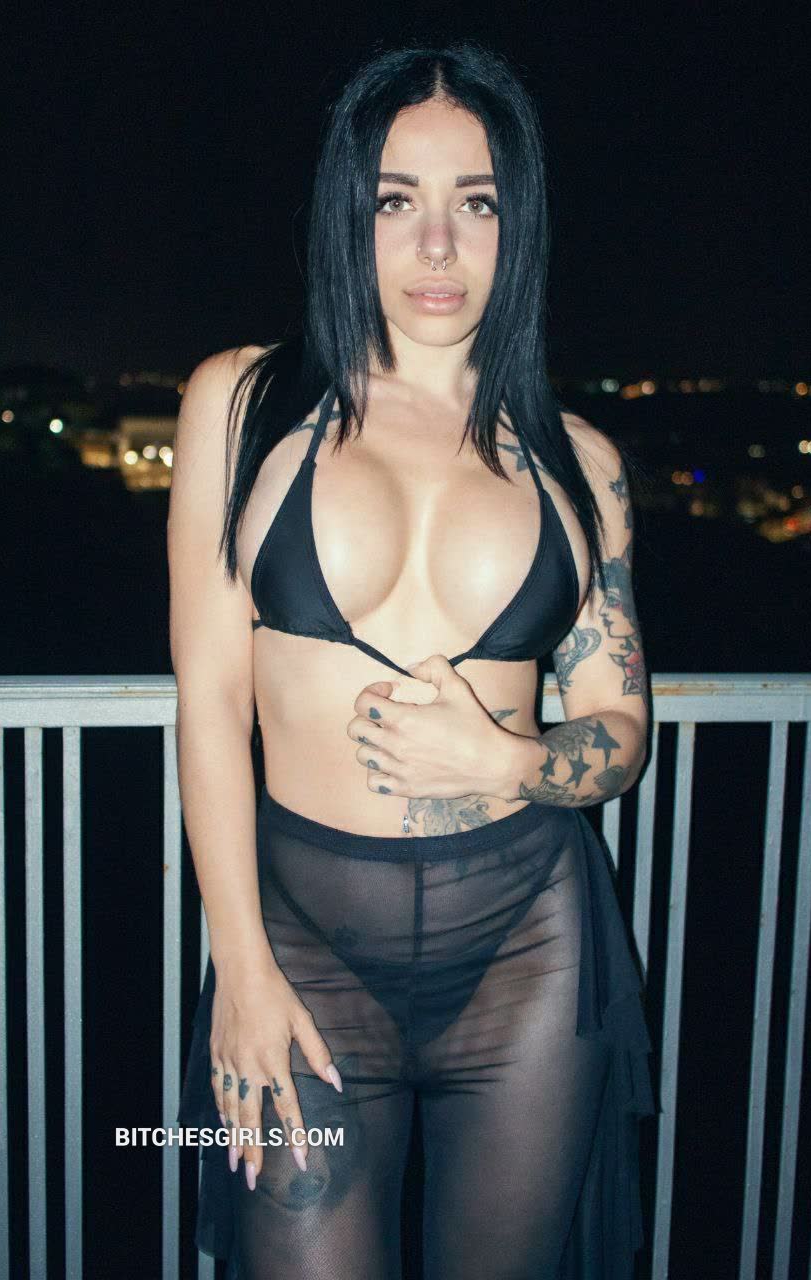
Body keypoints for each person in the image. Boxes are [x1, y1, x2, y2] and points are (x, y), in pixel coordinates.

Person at [171, 41, 656, 1280]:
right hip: (304, 945)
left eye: (475, 203)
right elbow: (212, 702)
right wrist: (241, 967)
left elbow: (620, 726)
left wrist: (508, 760)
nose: (438, 245)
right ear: (351, 212)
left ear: (518, 222)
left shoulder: (582, 463)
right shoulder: (244, 405)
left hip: (529, 950)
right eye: (398, 201)